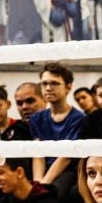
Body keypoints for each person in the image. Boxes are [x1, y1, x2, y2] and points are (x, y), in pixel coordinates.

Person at [30, 62, 84, 191]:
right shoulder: (36, 118)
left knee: (57, 191)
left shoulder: (79, 118)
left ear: (68, 87)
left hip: (67, 170)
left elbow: (66, 157)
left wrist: (44, 185)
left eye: (54, 83)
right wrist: (38, 183)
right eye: (44, 84)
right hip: (44, 168)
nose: (48, 88)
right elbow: (38, 153)